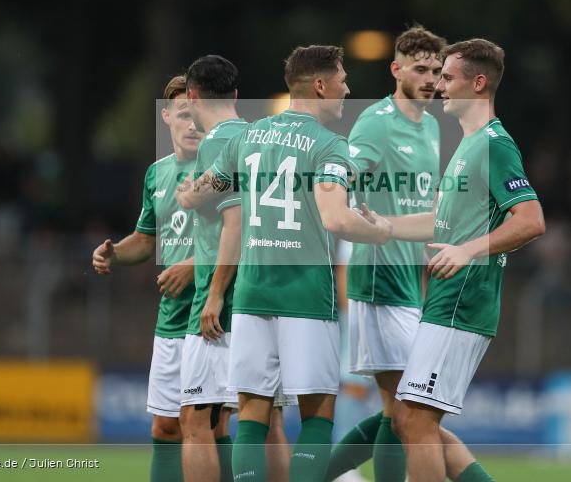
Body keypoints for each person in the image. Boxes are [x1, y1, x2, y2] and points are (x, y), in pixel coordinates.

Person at [181, 45, 392, 482]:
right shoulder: (332, 147)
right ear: (319, 85)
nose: (346, 89)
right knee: (317, 413)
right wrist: (379, 230)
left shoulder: (249, 136)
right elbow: (336, 217)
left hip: (253, 294)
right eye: (342, 80)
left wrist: (186, 195)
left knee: (251, 415)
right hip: (305, 296)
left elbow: (205, 190)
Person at [387, 38, 545, 482]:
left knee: (416, 422)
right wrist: (383, 225)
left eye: (447, 78)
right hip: (446, 298)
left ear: (478, 84)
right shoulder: (468, 145)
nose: (438, 86)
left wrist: (469, 250)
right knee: (410, 421)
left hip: (462, 299)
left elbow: (531, 220)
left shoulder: (495, 144)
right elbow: (442, 218)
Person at [326, 25, 445, 482]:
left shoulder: (432, 126)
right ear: (396, 70)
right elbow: (346, 173)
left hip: (408, 283)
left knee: (401, 412)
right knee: (413, 409)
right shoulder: (377, 121)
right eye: (420, 69)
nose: (431, 78)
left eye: (436, 70)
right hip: (377, 282)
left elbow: (424, 207)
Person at [175, 55, 292, 482]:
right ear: (236, 95)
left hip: (227, 300)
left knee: (195, 421)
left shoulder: (216, 142)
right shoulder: (262, 136)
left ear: (191, 96)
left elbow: (235, 220)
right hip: (271, 292)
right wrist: (197, 191)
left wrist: (215, 292)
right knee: (267, 421)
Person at [92, 75, 202, 482]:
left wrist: (194, 264)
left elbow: (242, 235)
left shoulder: (223, 167)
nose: (193, 124)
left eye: (199, 114)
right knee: (165, 427)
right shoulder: (157, 175)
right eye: (185, 114)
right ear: (167, 116)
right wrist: (114, 253)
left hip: (214, 315)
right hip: (171, 318)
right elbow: (146, 239)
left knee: (207, 427)